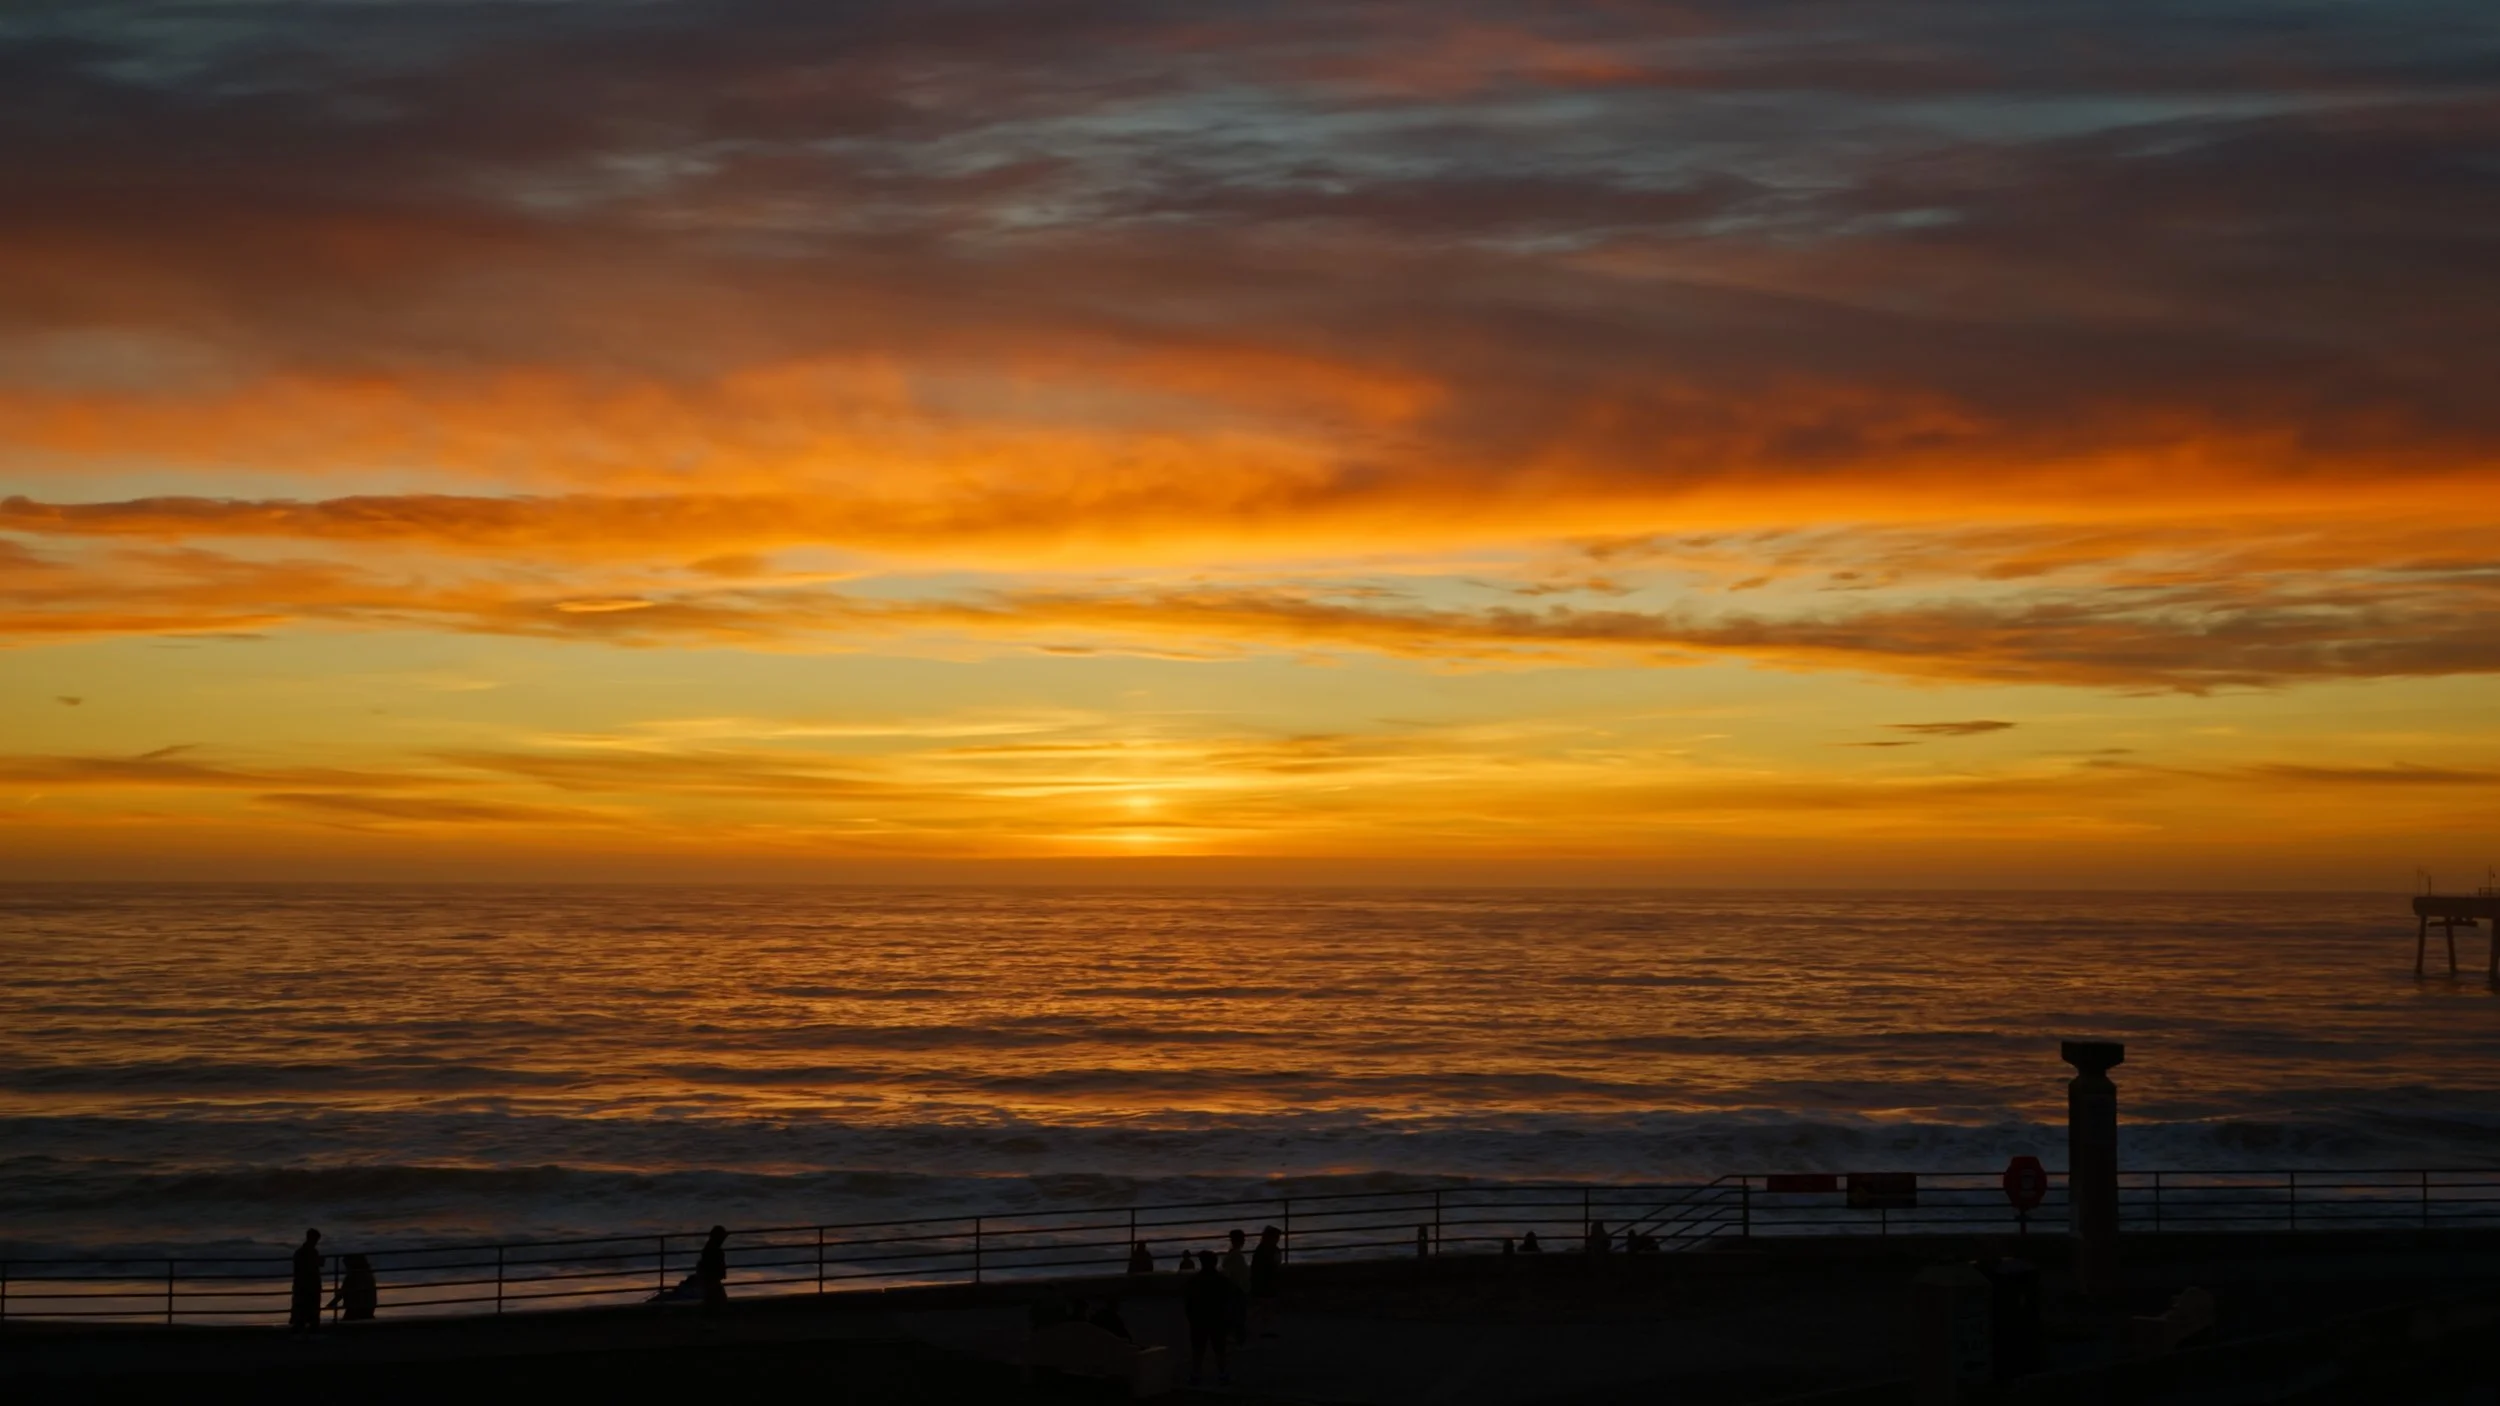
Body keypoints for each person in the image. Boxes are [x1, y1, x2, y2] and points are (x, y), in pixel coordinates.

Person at [1182, 1251, 1236, 1385]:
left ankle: (1196, 1374)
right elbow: (1229, 1302)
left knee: (1198, 1349)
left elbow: (1188, 1304)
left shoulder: (1194, 1281)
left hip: (1199, 1320)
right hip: (1218, 1320)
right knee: (1220, 1349)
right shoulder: (1223, 1281)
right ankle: (1222, 1374)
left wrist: (1192, 1319)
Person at [1249, 1225, 1283, 1338]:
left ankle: (1263, 1328)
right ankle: (1260, 1328)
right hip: (1266, 1282)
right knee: (1265, 1305)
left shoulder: (1262, 1250)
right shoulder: (1268, 1251)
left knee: (1264, 1306)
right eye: (1276, 1237)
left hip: (1264, 1282)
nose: (1277, 1239)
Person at [1220, 1229, 1253, 1344]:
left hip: (1235, 1289)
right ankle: (1238, 1340)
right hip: (1238, 1289)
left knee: (1234, 1314)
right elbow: (1239, 1275)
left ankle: (1232, 1337)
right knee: (1239, 1315)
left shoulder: (1231, 1254)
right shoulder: (1237, 1256)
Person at [289, 1228, 323, 1334]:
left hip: (303, 1284)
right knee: (310, 1308)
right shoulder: (309, 1252)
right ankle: (308, 1331)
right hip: (308, 1284)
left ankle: (301, 1330)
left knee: (303, 1308)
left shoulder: (301, 1252)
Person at [327, 1253, 378, 1322]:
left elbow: (342, 1293)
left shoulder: (352, 1276)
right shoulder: (368, 1274)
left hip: (354, 1309)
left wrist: (329, 1305)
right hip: (368, 1308)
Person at [695, 1225, 730, 1314]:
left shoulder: (708, 1248)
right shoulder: (716, 1251)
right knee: (718, 1301)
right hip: (712, 1280)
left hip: (709, 1280)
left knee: (713, 1302)